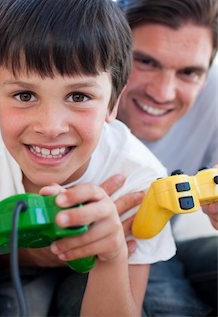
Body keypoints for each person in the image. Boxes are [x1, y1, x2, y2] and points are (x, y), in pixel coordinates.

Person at [0, 0, 176, 316]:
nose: (50, 127)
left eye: (79, 97)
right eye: (24, 96)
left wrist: (111, 257)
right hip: (19, 271)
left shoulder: (141, 180)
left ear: (112, 103)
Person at [115, 0, 218, 316]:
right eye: (145, 62)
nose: (163, 92)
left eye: (188, 73)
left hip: (161, 245)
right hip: (77, 257)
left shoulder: (213, 96)